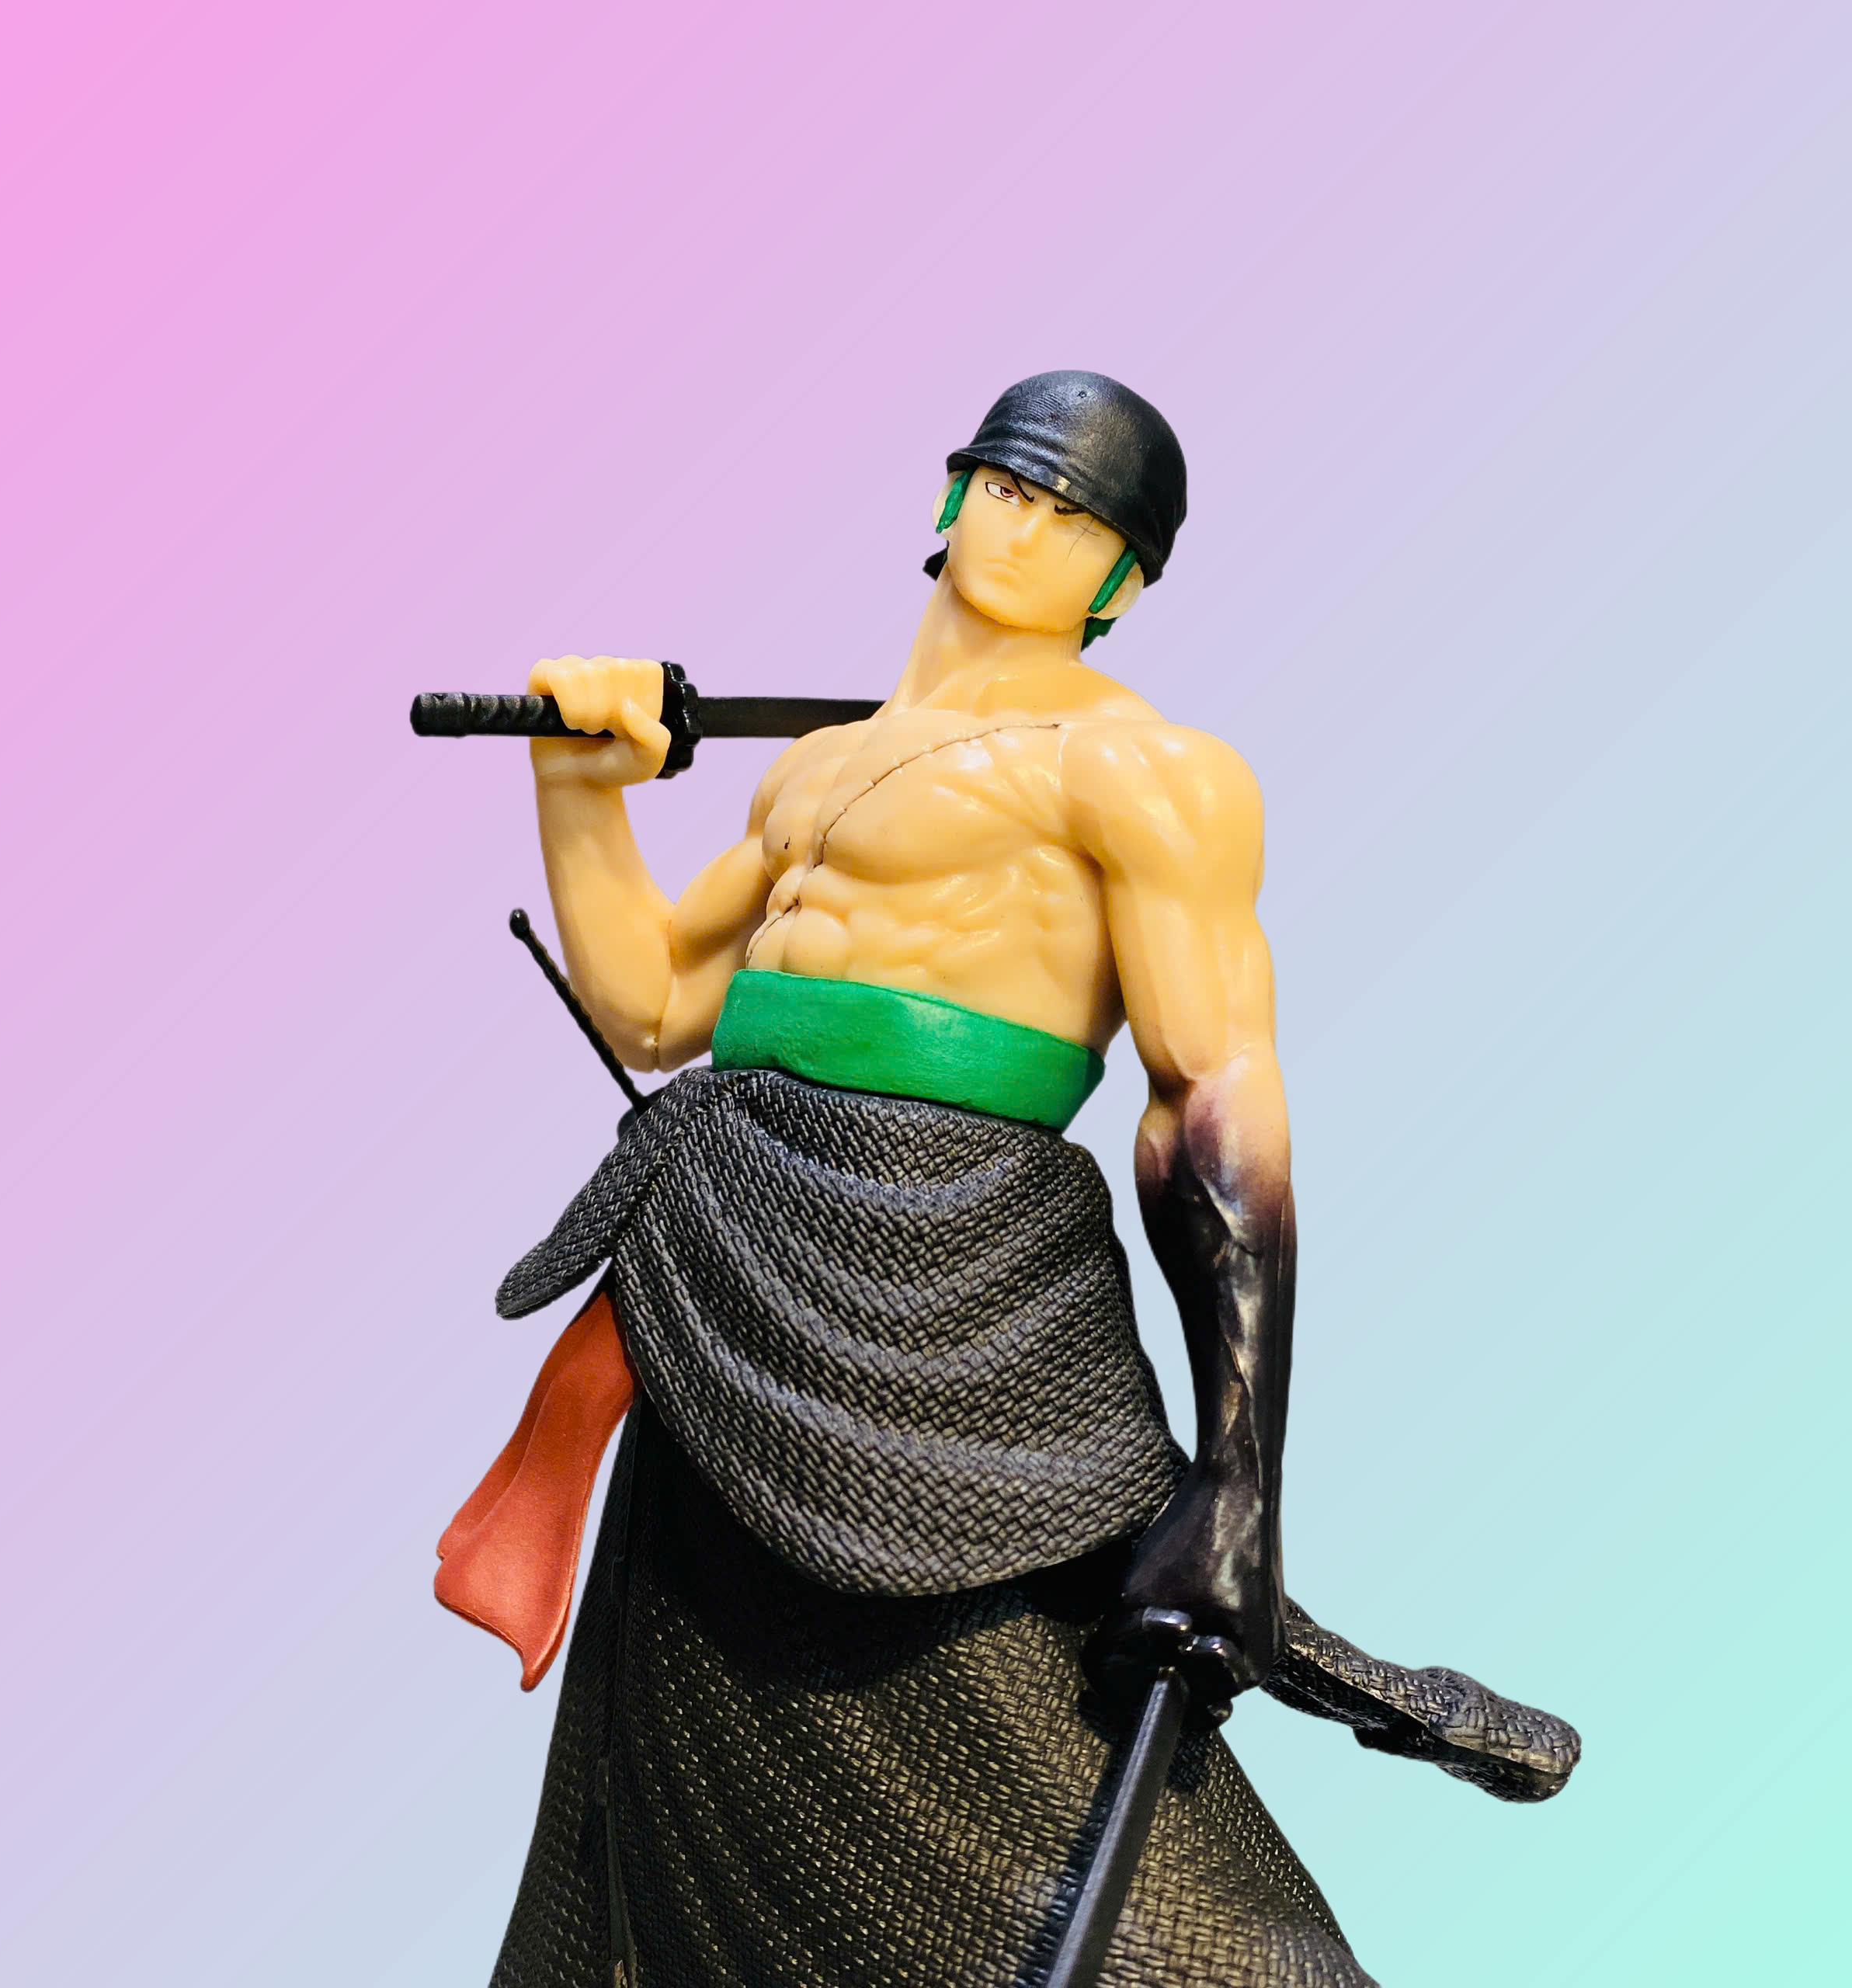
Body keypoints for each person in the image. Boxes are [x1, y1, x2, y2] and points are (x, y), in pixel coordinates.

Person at [444, 374, 1566, 1987]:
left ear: (1125, 581)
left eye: (1080, 517)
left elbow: (1214, 1097)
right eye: (1011, 485)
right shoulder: (815, 768)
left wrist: (1238, 1482)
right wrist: (577, 784)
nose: (1031, 527)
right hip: (724, 1273)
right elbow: (652, 1002)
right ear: (950, 492)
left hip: (947, 1293)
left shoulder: (1146, 770)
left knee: (1039, 1754)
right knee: (680, 1776)